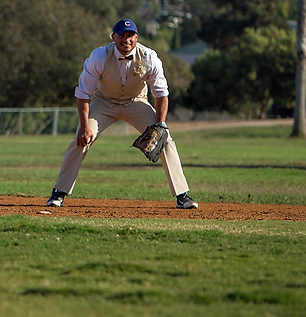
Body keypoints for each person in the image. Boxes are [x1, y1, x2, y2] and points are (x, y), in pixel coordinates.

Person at [46, 18, 198, 209]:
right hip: (104, 102)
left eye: (130, 36)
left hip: (136, 102)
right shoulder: (99, 56)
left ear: (136, 37)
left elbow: (161, 94)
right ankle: (59, 192)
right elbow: (83, 93)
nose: (126, 40)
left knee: (165, 140)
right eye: (122, 36)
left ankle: (182, 196)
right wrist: (84, 127)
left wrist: (160, 125)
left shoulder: (149, 57)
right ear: (114, 37)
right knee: (80, 140)